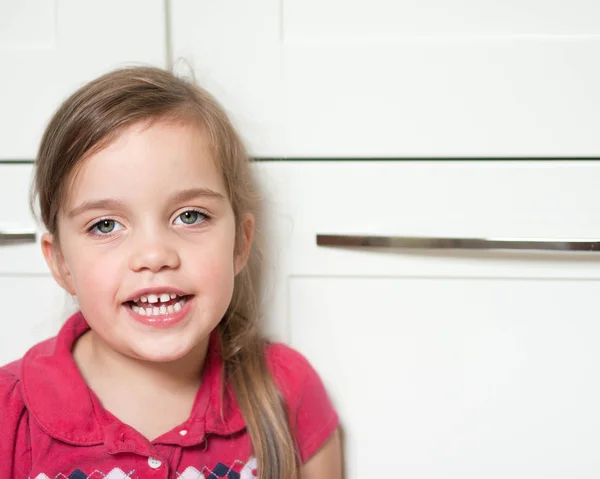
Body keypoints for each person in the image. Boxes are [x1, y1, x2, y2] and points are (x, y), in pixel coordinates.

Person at [0, 66, 341, 479]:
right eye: (105, 225)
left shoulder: (287, 391)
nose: (154, 254)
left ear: (239, 243)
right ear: (61, 264)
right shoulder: (9, 414)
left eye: (190, 215)